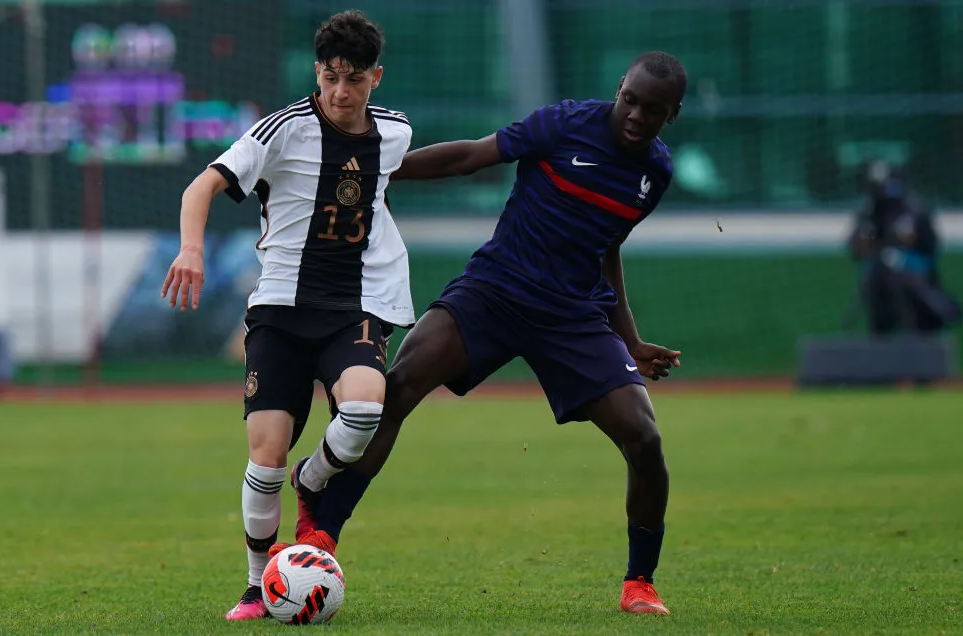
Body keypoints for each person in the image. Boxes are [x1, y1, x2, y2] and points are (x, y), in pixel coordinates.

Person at [286, 51, 687, 616]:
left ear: (672, 115)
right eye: (631, 99)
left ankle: (639, 584)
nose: (637, 115)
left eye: (654, 110)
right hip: (494, 292)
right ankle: (323, 534)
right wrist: (383, 170)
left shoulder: (656, 174)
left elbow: (607, 247)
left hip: (572, 317)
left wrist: (630, 340)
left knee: (644, 439)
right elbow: (473, 156)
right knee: (395, 387)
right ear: (619, 88)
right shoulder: (564, 123)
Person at [160, 10, 414, 621]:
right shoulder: (281, 129)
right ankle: (256, 585)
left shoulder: (396, 132)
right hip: (278, 309)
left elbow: (382, 183)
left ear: (375, 78)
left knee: (363, 409)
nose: (340, 91)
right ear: (317, 73)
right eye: (330, 77)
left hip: (352, 306)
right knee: (264, 454)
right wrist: (191, 249)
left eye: (354, 79)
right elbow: (202, 187)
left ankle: (315, 477)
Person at [847, 161, 960, 335]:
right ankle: (880, 334)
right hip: (878, 272)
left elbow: (928, 246)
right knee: (873, 282)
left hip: (913, 272)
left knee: (901, 283)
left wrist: (904, 247)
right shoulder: (868, 213)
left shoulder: (914, 211)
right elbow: (856, 247)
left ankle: (918, 329)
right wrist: (867, 242)